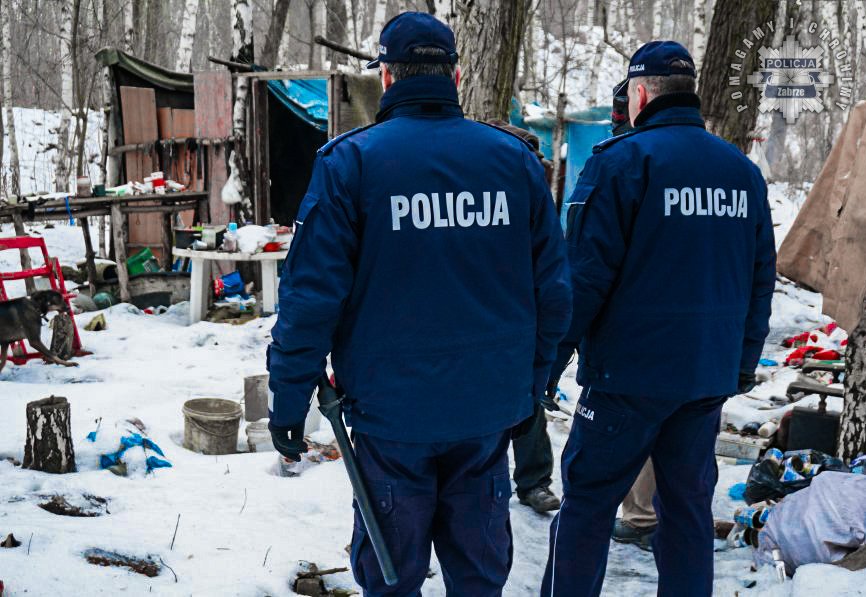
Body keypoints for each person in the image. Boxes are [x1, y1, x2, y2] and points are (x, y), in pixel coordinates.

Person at [266, 12, 572, 596]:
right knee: (478, 577)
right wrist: (528, 388)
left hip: (393, 418)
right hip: (483, 411)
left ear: (386, 77)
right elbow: (554, 294)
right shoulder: (513, 161)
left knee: (392, 578)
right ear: (454, 76)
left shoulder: (351, 162)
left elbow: (308, 301)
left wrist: (287, 403)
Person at [541, 40, 776, 596]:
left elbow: (584, 279)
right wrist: (742, 361)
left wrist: (548, 362)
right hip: (705, 377)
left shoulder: (621, 163)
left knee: (588, 504)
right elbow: (759, 277)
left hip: (627, 379)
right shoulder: (740, 171)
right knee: (687, 507)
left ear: (640, 94)